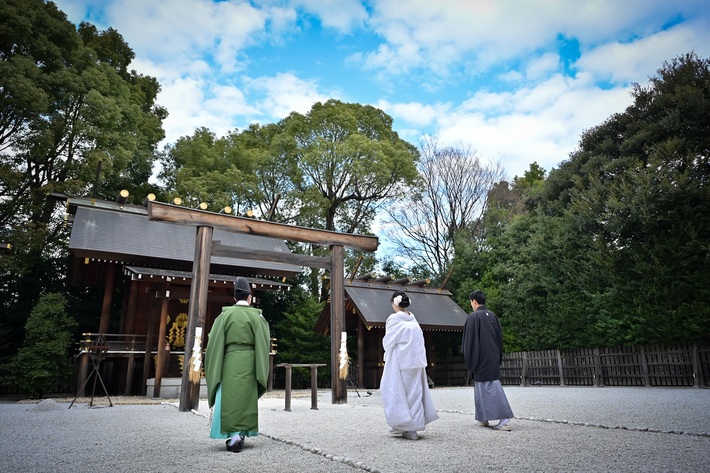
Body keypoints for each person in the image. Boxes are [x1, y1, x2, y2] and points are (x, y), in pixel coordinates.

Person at [205, 277, 270, 452]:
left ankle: (233, 436)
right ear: (250, 297)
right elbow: (264, 343)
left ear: (235, 298)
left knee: (228, 396)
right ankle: (240, 434)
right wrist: (260, 366)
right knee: (246, 397)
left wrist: (215, 364)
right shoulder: (258, 317)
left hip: (229, 361)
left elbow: (214, 343)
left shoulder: (224, 316)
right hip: (250, 362)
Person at [380, 290, 439, 440]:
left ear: (394, 303)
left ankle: (403, 425)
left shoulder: (393, 319)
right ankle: (411, 428)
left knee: (397, 393)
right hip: (416, 361)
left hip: (401, 361)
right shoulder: (413, 319)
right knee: (415, 393)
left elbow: (388, 341)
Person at [461, 289, 514, 431]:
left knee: (490, 387)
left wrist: (469, 358)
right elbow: (499, 338)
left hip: (480, 357)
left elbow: (469, 342)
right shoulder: (493, 316)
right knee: (483, 387)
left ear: (474, 301)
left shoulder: (473, 317)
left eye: (471, 302)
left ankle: (504, 419)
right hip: (493, 356)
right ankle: (483, 418)